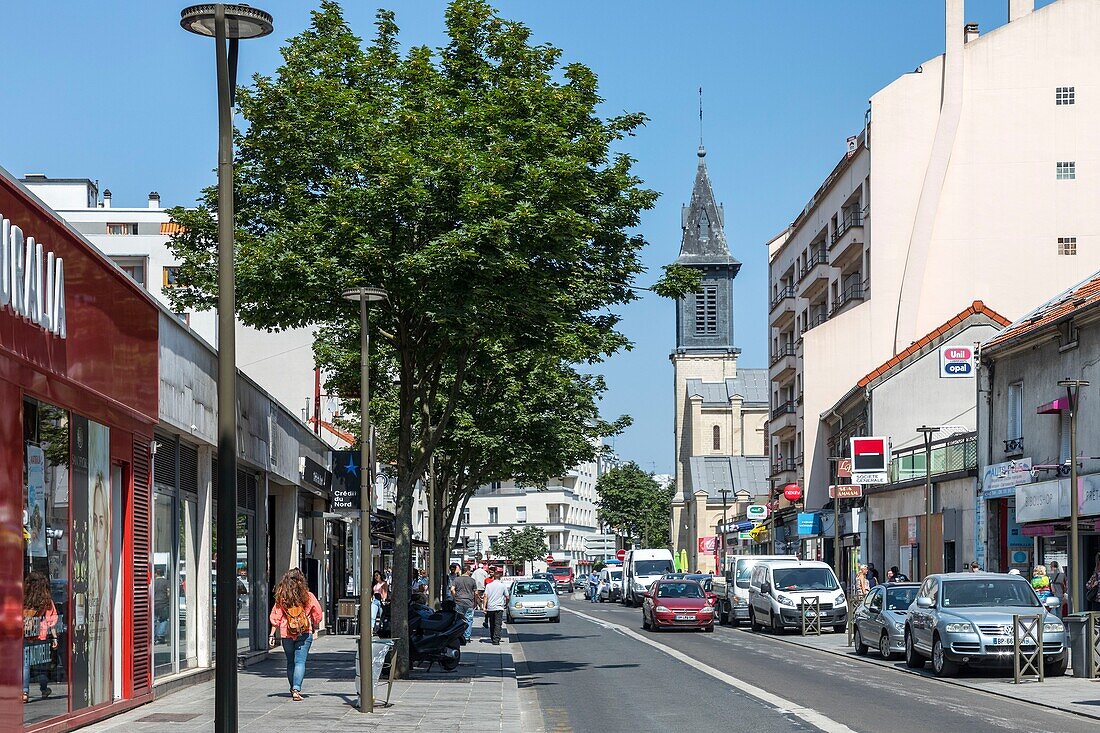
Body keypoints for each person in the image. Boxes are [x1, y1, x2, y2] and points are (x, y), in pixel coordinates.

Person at [268, 568, 323, 701]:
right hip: (304, 632)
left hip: (286, 632)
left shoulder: (282, 597)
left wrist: (271, 635)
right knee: (300, 662)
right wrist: (314, 625)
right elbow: (318, 614)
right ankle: (296, 689)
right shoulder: (308, 596)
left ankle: (293, 687)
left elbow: (276, 617)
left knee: (290, 662)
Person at [23, 570, 58, 704]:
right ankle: (44, 689)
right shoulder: (46, 601)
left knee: (25, 664)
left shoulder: (23, 598)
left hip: (26, 634)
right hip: (41, 635)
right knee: (41, 665)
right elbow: (52, 621)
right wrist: (54, 638)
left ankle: (24, 692)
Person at [450, 565, 478, 644]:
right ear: (468, 571)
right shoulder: (472, 580)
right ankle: (467, 637)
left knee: (459, 619)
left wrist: (455, 596)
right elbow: (475, 593)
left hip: (459, 601)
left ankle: (459, 635)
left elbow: (452, 589)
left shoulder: (456, 579)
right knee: (469, 619)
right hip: (469, 602)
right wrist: (475, 602)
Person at [483, 569, 508, 645]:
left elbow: (485, 596)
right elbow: (507, 596)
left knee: (492, 623)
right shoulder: (502, 585)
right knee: (498, 623)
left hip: (490, 607)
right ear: (500, 578)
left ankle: (492, 636)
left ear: (493, 577)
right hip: (499, 607)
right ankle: (496, 639)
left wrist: (484, 607)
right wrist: (506, 604)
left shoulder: (488, 585)